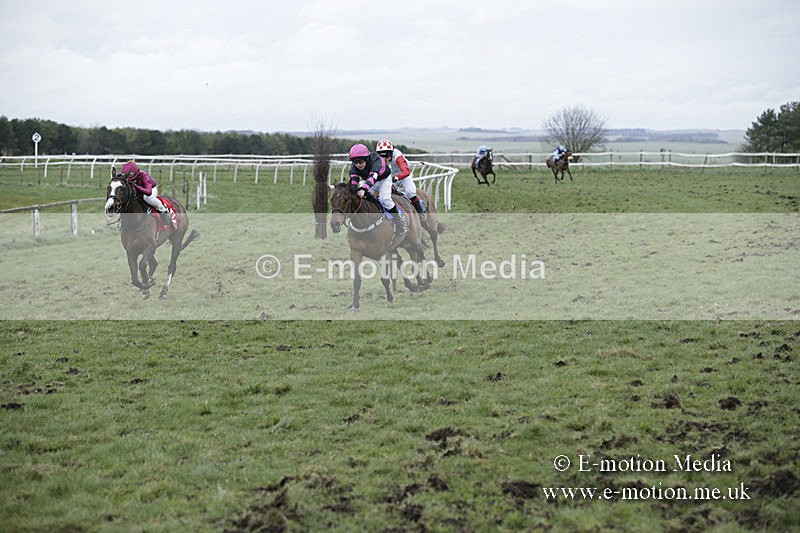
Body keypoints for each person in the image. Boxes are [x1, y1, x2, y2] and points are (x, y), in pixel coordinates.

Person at [347, 143, 406, 236]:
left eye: (361, 162)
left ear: (366, 158)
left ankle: (400, 222)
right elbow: (354, 182)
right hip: (369, 181)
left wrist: (363, 189)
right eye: (355, 162)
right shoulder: (354, 166)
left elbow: (373, 177)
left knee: (384, 199)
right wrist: (355, 190)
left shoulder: (376, 160)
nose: (358, 165)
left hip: (383, 180)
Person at [375, 139, 428, 230]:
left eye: (387, 155)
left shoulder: (398, 156)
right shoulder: (379, 160)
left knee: (410, 192)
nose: (384, 159)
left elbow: (406, 171)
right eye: (381, 156)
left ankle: (421, 215)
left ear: (391, 153)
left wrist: (396, 178)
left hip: (404, 175)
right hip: (391, 176)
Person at [120, 161, 171, 226]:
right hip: (138, 190)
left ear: (135, 173)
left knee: (146, 198)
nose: (128, 178)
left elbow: (148, 192)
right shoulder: (124, 177)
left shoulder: (144, 175)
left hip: (150, 189)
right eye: (126, 175)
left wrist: (137, 187)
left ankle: (164, 211)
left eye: (131, 175)